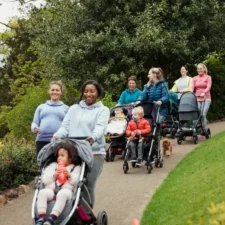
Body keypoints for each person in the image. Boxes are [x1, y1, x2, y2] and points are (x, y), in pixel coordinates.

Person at [52, 80, 110, 209]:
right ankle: (70, 212)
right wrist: (57, 135)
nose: (88, 94)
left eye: (92, 91)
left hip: (94, 152)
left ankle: (87, 216)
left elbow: (100, 128)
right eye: (86, 91)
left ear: (98, 93)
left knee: (87, 184)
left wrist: (92, 137)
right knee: (70, 182)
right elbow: (65, 127)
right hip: (74, 152)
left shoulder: (103, 110)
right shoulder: (74, 109)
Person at [35, 141, 81, 225]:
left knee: (62, 194)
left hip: (66, 191)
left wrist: (70, 176)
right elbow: (44, 179)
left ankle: (51, 218)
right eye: (58, 155)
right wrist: (53, 176)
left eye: (62, 156)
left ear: (70, 158)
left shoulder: (75, 168)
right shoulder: (53, 166)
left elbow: (76, 182)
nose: (59, 158)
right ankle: (41, 217)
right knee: (42, 192)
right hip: (51, 190)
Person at [31, 81, 69, 157]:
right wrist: (34, 128)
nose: (55, 92)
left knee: (58, 165)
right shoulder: (41, 107)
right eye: (52, 90)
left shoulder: (66, 108)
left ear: (61, 92)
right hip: (41, 140)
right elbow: (34, 122)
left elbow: (68, 126)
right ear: (49, 91)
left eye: (57, 90)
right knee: (42, 164)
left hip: (60, 141)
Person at [190, 63, 212, 133]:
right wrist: (190, 92)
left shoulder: (208, 77)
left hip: (206, 98)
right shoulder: (194, 78)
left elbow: (208, 87)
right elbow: (192, 87)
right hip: (197, 98)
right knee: (196, 114)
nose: (199, 70)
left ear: (204, 69)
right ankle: (194, 130)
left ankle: (204, 130)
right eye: (198, 69)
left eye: (200, 68)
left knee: (203, 114)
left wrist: (204, 92)